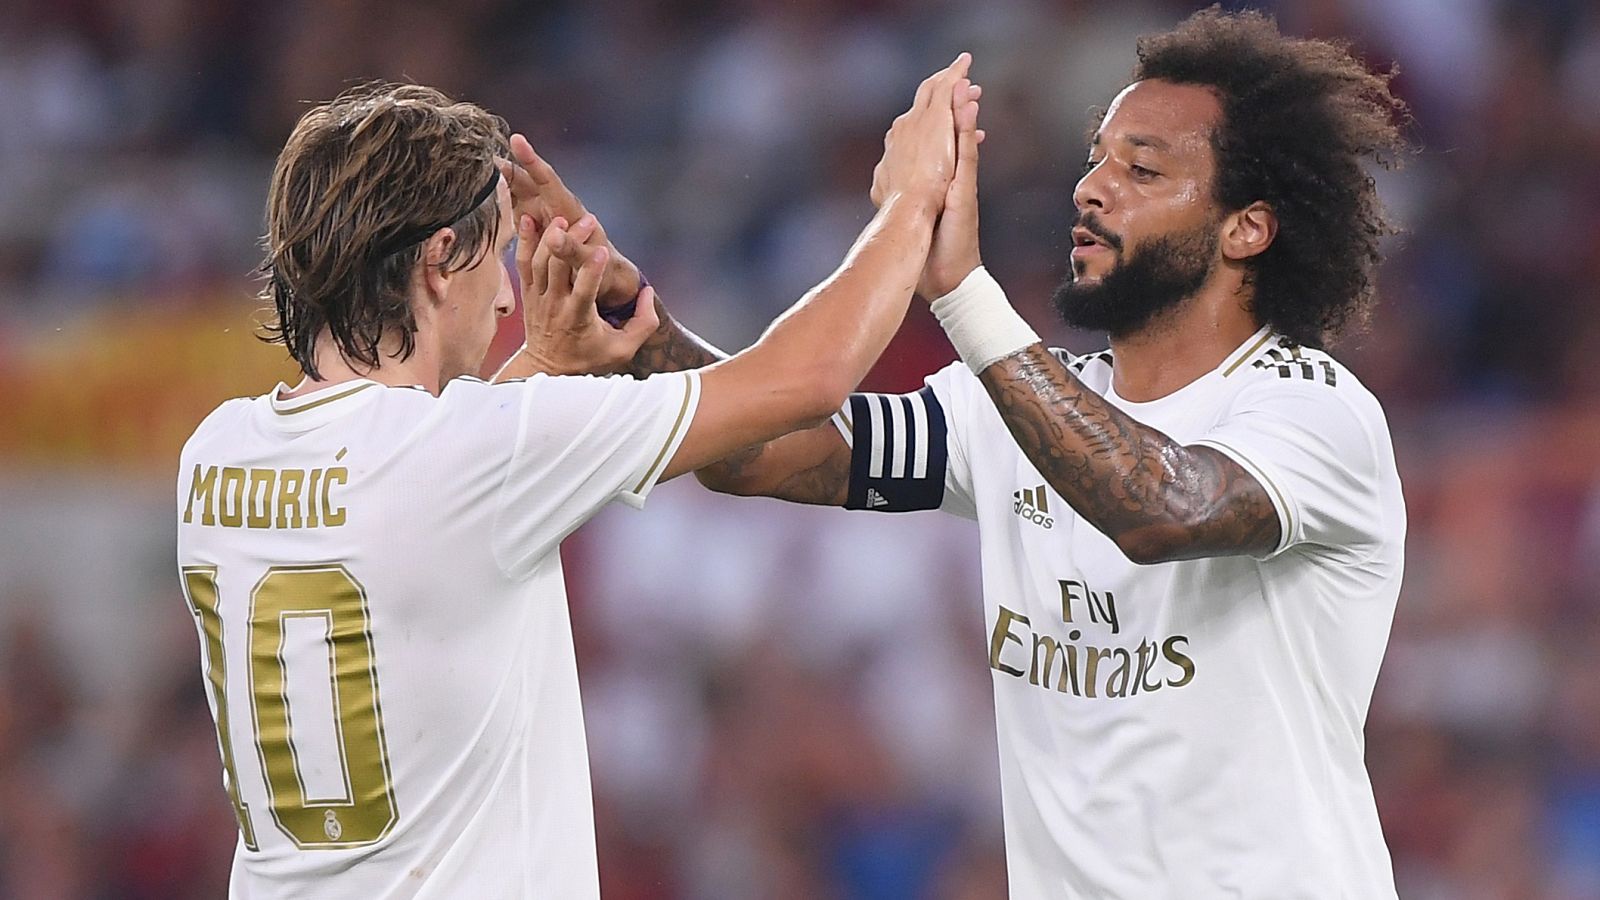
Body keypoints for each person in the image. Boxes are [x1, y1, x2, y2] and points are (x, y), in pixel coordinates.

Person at [509, 8, 1410, 896]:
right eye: (1096, 157)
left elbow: (1161, 507)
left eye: (1141, 168)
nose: (1091, 188)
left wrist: (962, 294)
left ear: (1246, 229)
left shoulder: (1311, 411)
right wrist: (635, 329)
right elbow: (759, 453)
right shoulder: (1014, 407)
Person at [176, 61, 981, 898]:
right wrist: (909, 204)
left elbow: (424, 498)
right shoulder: (474, 455)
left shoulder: (216, 453)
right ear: (440, 261)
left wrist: (548, 366)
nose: (506, 300)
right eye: (500, 255)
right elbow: (805, 383)